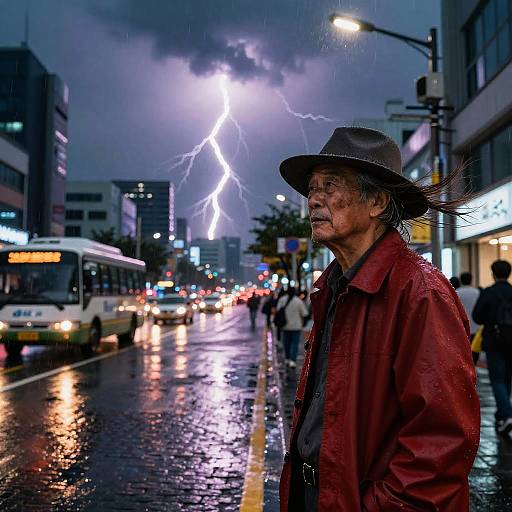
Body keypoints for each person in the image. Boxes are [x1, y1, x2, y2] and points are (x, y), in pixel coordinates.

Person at [278, 127, 480, 511]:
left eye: (330, 185)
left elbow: (442, 441)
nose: (314, 199)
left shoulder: (419, 292)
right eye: (312, 188)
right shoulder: (333, 289)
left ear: (377, 202)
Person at [473, 260, 512, 436]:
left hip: (494, 342)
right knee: (507, 379)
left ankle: (507, 415)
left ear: (493, 274)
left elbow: (477, 316)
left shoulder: (489, 293)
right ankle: (501, 415)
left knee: (497, 380)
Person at [276, 287, 308, 368]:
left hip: (285, 326)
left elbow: (277, 310)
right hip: (296, 327)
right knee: (295, 344)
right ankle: (292, 361)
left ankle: (287, 358)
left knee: (286, 343)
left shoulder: (282, 300)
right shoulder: (298, 301)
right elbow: (305, 313)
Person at [457, 272, 481, 364]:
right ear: (471, 280)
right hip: (476, 326)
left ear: (461, 280)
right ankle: (474, 367)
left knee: (464, 349)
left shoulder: (457, 292)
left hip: (462, 326)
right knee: (474, 350)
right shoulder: (477, 292)